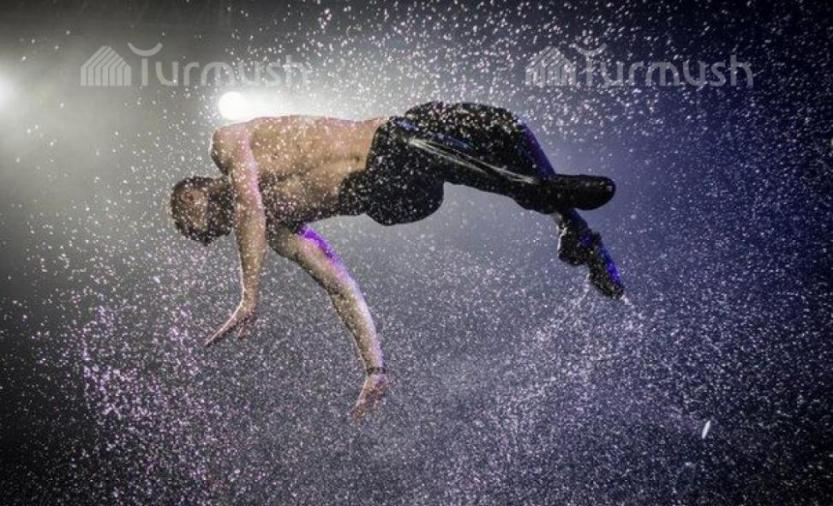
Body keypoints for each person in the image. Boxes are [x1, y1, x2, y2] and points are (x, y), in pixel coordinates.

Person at [168, 101, 624, 420]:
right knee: (416, 147)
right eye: (203, 232)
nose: (203, 230)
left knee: (504, 127)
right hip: (390, 192)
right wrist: (375, 367)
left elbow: (247, 202)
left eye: (190, 217)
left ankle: (575, 231)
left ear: (194, 191)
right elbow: (339, 286)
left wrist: (249, 296)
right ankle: (537, 191)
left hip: (398, 133)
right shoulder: (278, 232)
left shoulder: (228, 141)